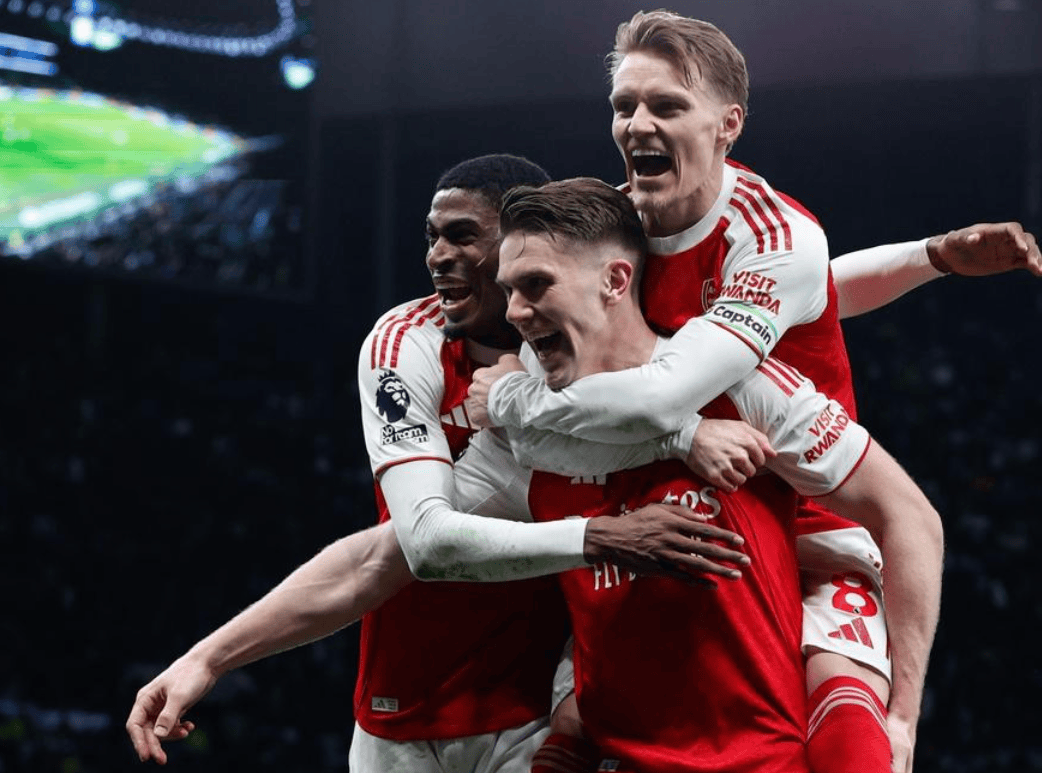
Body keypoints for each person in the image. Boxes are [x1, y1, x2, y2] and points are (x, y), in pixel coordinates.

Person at [470, 11, 1042, 773]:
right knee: (581, 725)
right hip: (670, 513)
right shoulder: (605, 227)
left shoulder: (771, 240)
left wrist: (511, 400)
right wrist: (927, 255)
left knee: (853, 749)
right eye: (623, 106)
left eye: (666, 105)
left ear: (727, 125)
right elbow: (807, 295)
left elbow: (678, 382)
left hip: (809, 519)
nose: (637, 124)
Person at [124, 154, 755, 773]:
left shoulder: (601, 363)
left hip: (537, 715)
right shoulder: (407, 344)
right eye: (433, 237)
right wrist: (207, 658)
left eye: (463, 236)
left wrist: (684, 432)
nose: (437, 256)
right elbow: (401, 550)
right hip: (397, 713)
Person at [489, 176, 943, 773]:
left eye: (535, 285)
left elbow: (908, 515)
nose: (513, 312)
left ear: (616, 281)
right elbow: (428, 545)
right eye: (508, 290)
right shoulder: (518, 424)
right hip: (618, 749)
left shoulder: (744, 387)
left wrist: (901, 718)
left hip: (763, 754)